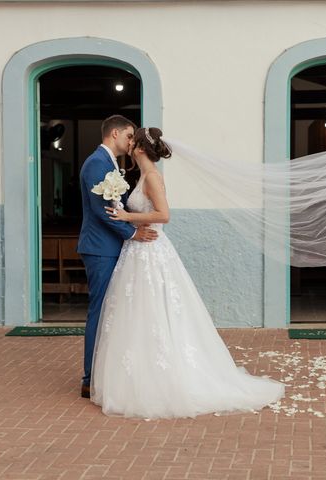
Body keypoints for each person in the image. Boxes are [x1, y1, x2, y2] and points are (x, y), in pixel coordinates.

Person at [90, 127, 285, 418]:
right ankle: (140, 374)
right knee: (140, 314)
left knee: (156, 311)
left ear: (141, 148)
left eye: (133, 140)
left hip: (151, 252)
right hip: (138, 253)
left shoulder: (153, 177)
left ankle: (165, 377)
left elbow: (164, 215)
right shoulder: (141, 177)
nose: (128, 144)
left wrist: (128, 216)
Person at [77, 115, 158, 400]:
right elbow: (103, 210)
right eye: (128, 135)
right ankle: (89, 379)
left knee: (113, 313)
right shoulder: (97, 163)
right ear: (115, 133)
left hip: (111, 247)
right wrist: (132, 233)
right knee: (99, 312)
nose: (131, 141)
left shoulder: (110, 164)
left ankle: (105, 372)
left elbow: (117, 205)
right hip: (100, 248)